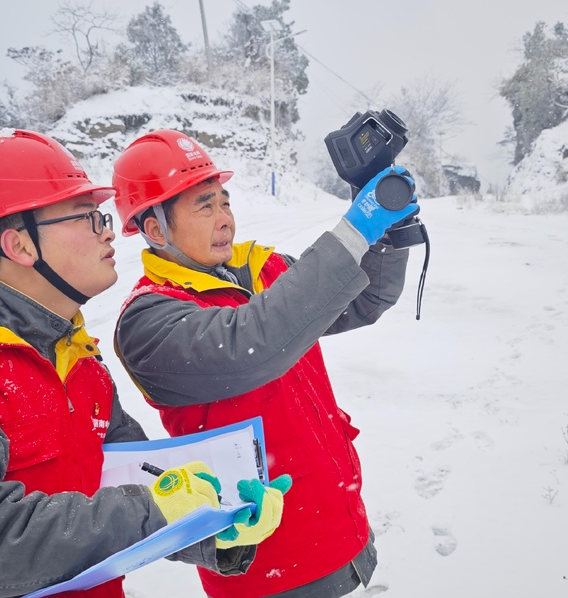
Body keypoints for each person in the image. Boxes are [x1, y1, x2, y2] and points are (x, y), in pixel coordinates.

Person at [0, 129, 288, 598]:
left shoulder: (78, 359)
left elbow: (138, 478)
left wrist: (213, 524)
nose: (107, 229)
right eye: (86, 216)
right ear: (20, 246)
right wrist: (158, 510)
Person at [111, 130, 420, 598]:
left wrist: (388, 227)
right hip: (268, 568)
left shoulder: (264, 272)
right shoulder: (149, 319)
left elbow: (366, 297)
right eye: (204, 206)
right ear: (155, 230)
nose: (224, 220)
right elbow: (256, 342)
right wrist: (354, 230)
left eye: (225, 203)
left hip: (342, 533)